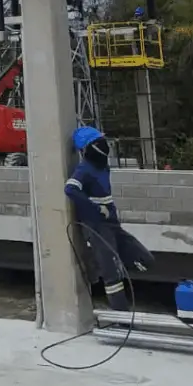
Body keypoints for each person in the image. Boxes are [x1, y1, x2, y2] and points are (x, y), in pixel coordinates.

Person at [65, 127, 155, 311]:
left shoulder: (103, 166)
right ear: (87, 148)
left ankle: (107, 264)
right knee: (112, 275)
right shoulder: (84, 169)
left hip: (113, 225)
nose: (104, 145)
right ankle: (121, 317)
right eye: (97, 142)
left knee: (145, 260)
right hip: (97, 227)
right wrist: (96, 209)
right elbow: (70, 189)